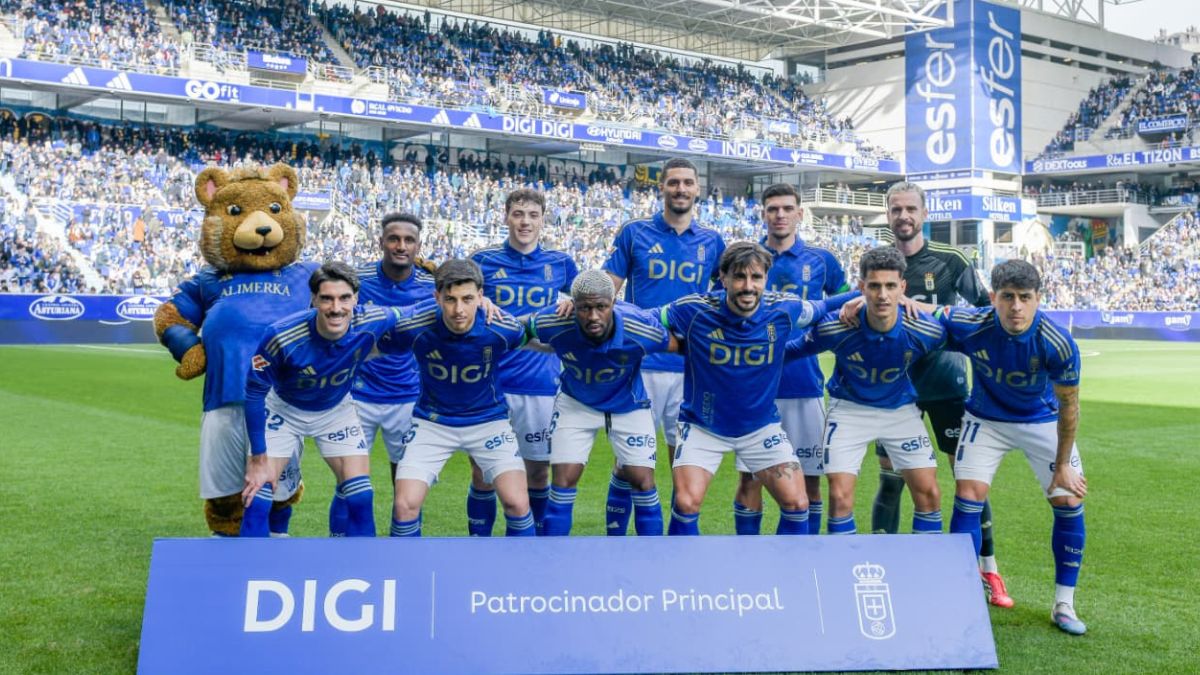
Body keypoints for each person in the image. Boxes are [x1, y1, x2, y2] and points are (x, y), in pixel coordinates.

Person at [870, 180, 1011, 606]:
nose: (903, 216)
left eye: (910, 209)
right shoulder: (880, 263)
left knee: (968, 482)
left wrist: (937, 312)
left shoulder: (951, 261)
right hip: (895, 391)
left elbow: (987, 312)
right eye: (896, 209)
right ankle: (881, 569)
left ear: (924, 213)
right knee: (891, 480)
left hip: (947, 387)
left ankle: (988, 570)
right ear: (888, 214)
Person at [935, 260, 1089, 634]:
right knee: (968, 494)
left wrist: (1063, 464)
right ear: (993, 298)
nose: (1016, 306)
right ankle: (962, 595)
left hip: (1042, 421)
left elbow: (1069, 407)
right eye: (1007, 297)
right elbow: (929, 313)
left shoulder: (1056, 341)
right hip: (986, 420)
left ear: (1038, 298)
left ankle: (1064, 604)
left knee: (1069, 500)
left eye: (1024, 297)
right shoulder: (972, 323)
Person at [661, 242, 854, 536]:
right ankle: (679, 561)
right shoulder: (693, 309)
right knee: (686, 503)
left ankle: (787, 563)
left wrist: (863, 296)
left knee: (798, 502)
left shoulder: (784, 308)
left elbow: (823, 307)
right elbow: (650, 319)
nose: (748, 286)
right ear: (723, 278)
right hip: (703, 426)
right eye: (739, 277)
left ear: (766, 278)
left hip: (760, 428)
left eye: (756, 277)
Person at [602, 157, 725, 534]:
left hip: (690, 369)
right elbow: (607, 290)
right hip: (641, 365)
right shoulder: (635, 233)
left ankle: (674, 546)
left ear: (697, 189)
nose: (681, 189)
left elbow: (724, 298)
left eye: (687, 182)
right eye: (673, 182)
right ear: (662, 188)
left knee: (681, 464)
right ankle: (615, 540)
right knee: (630, 464)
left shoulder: (712, 241)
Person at [241, 263, 407, 537]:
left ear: (356, 299)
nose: (336, 308)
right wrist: (258, 458)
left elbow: (420, 313)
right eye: (327, 298)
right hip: (284, 411)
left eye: (344, 298)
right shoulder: (280, 335)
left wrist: (478, 301)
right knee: (257, 494)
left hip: (335, 411)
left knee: (361, 497)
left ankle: (359, 561)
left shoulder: (373, 319)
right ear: (314, 299)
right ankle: (251, 563)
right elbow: (254, 393)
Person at [793, 247, 945, 536]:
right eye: (874, 286)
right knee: (839, 497)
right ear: (861, 288)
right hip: (849, 410)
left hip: (900, 410)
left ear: (903, 288)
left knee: (929, 494)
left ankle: (925, 563)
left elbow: (969, 333)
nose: (883, 295)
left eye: (890, 286)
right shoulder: (837, 326)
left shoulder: (926, 329)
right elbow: (792, 351)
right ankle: (844, 562)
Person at [382, 259, 534, 537]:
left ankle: (513, 563)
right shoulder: (414, 326)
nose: (459, 310)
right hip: (432, 423)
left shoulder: (502, 327)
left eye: (468, 299)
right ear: (437, 297)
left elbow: (535, 336)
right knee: (404, 506)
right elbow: (371, 345)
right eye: (450, 299)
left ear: (480, 296)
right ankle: (404, 563)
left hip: (489, 420)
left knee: (518, 503)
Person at [733, 183, 848, 536]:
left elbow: (845, 306)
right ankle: (748, 554)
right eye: (772, 209)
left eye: (787, 208)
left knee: (810, 482)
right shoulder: (745, 260)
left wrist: (820, 334)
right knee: (750, 479)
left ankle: (803, 555)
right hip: (755, 388)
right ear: (763, 214)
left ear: (799, 213)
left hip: (804, 385)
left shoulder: (822, 260)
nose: (780, 215)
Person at [527, 270, 677, 536]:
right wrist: (484, 307)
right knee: (563, 482)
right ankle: (551, 557)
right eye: (585, 308)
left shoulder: (640, 327)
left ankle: (651, 556)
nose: (593, 316)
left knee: (643, 482)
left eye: (601, 307)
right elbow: (515, 330)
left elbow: (681, 346)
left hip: (628, 404)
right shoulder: (554, 320)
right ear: (573, 305)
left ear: (614, 302)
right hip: (576, 403)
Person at [469, 189, 578, 535]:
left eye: (532, 215)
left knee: (538, 473)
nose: (525, 222)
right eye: (518, 214)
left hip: (540, 384)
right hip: (490, 383)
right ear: (505, 217)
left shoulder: (561, 263)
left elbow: (586, 303)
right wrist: (478, 300)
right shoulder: (482, 261)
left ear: (543, 220)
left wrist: (574, 303)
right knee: (483, 473)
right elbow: (456, 300)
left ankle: (534, 548)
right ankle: (479, 546)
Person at [338, 212, 436, 535]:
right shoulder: (357, 280)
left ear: (418, 245)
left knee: (406, 485)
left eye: (409, 240)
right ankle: (340, 548)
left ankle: (403, 552)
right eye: (394, 239)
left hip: (408, 396)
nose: (401, 246)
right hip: (358, 395)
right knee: (347, 483)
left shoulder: (431, 286)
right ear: (381, 241)